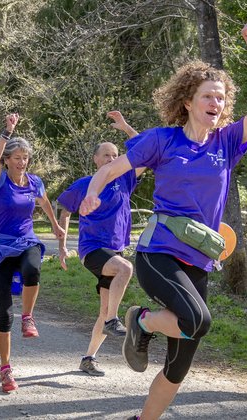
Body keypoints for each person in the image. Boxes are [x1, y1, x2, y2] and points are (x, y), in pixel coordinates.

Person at [79, 21, 247, 419]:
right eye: (208, 96)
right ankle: (141, 319)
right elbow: (112, 168)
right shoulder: (162, 140)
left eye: (221, 99)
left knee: (179, 366)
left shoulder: (227, 141)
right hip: (159, 253)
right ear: (188, 101)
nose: (216, 104)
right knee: (198, 320)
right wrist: (92, 190)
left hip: (199, 261)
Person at [0, 113, 65, 393]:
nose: (22, 162)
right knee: (3, 314)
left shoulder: (34, 181)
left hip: (26, 240)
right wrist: (7, 133)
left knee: (34, 268)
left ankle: (28, 316)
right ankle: (6, 368)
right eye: (17, 157)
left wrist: (56, 226)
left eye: (25, 158)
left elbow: (45, 203)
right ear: (7, 160)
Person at [55, 110, 145, 377]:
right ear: (96, 160)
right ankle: (112, 321)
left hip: (113, 249)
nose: (111, 158)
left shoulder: (126, 179)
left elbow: (145, 151)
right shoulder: (84, 185)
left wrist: (127, 128)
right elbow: (64, 210)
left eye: (115, 155)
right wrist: (61, 245)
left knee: (105, 307)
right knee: (125, 269)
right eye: (106, 155)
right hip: (92, 249)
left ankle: (89, 357)